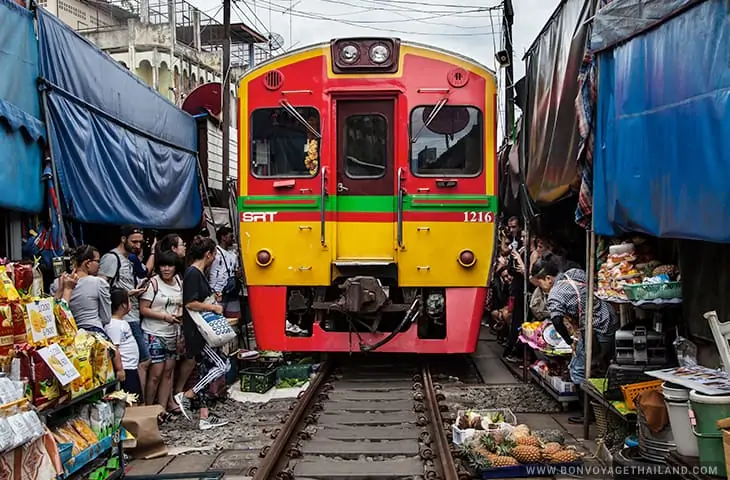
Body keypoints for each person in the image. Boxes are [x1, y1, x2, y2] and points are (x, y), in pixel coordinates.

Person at [532, 254, 619, 424]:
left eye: (541, 283)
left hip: (595, 328)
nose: (541, 288)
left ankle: (588, 414)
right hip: (610, 316)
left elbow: (556, 320)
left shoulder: (555, 293)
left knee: (578, 369)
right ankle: (601, 405)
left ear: (548, 278)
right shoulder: (573, 274)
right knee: (600, 362)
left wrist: (568, 340)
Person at [174, 237, 231, 430]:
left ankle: (204, 416)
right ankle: (188, 394)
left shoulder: (196, 273)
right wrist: (212, 307)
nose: (215, 258)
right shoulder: (193, 273)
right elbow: (190, 303)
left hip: (199, 330)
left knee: (206, 369)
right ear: (208, 254)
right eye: (214, 254)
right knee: (223, 364)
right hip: (199, 332)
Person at [99, 226, 150, 401]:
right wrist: (127, 294)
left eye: (140, 242)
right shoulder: (112, 258)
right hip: (121, 317)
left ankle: (138, 403)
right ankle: (137, 403)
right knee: (141, 360)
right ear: (123, 239)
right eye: (133, 241)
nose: (137, 245)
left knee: (140, 360)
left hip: (132, 313)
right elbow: (102, 287)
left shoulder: (131, 260)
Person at [140, 251, 183, 418]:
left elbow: (182, 301)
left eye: (169, 265)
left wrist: (178, 314)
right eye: (163, 265)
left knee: (168, 372)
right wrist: (164, 316)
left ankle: (162, 409)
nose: (166, 269)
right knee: (156, 372)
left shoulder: (179, 281)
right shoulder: (153, 284)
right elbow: (144, 309)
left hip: (172, 332)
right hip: (154, 331)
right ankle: (150, 410)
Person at [51, 245, 111, 337]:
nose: (99, 265)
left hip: (66, 335)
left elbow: (52, 312)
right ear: (87, 263)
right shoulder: (99, 283)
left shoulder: (58, 283)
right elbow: (106, 318)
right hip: (93, 333)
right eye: (98, 261)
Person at [105, 288, 143, 398]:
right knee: (129, 400)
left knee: (134, 398)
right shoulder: (114, 325)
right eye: (129, 301)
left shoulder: (121, 322)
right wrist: (120, 369)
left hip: (131, 366)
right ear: (124, 305)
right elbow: (114, 348)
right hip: (125, 368)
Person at [208, 227, 242, 319]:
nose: (233, 239)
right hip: (218, 291)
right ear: (223, 237)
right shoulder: (215, 253)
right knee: (218, 318)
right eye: (231, 236)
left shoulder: (233, 255)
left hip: (231, 290)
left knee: (234, 318)